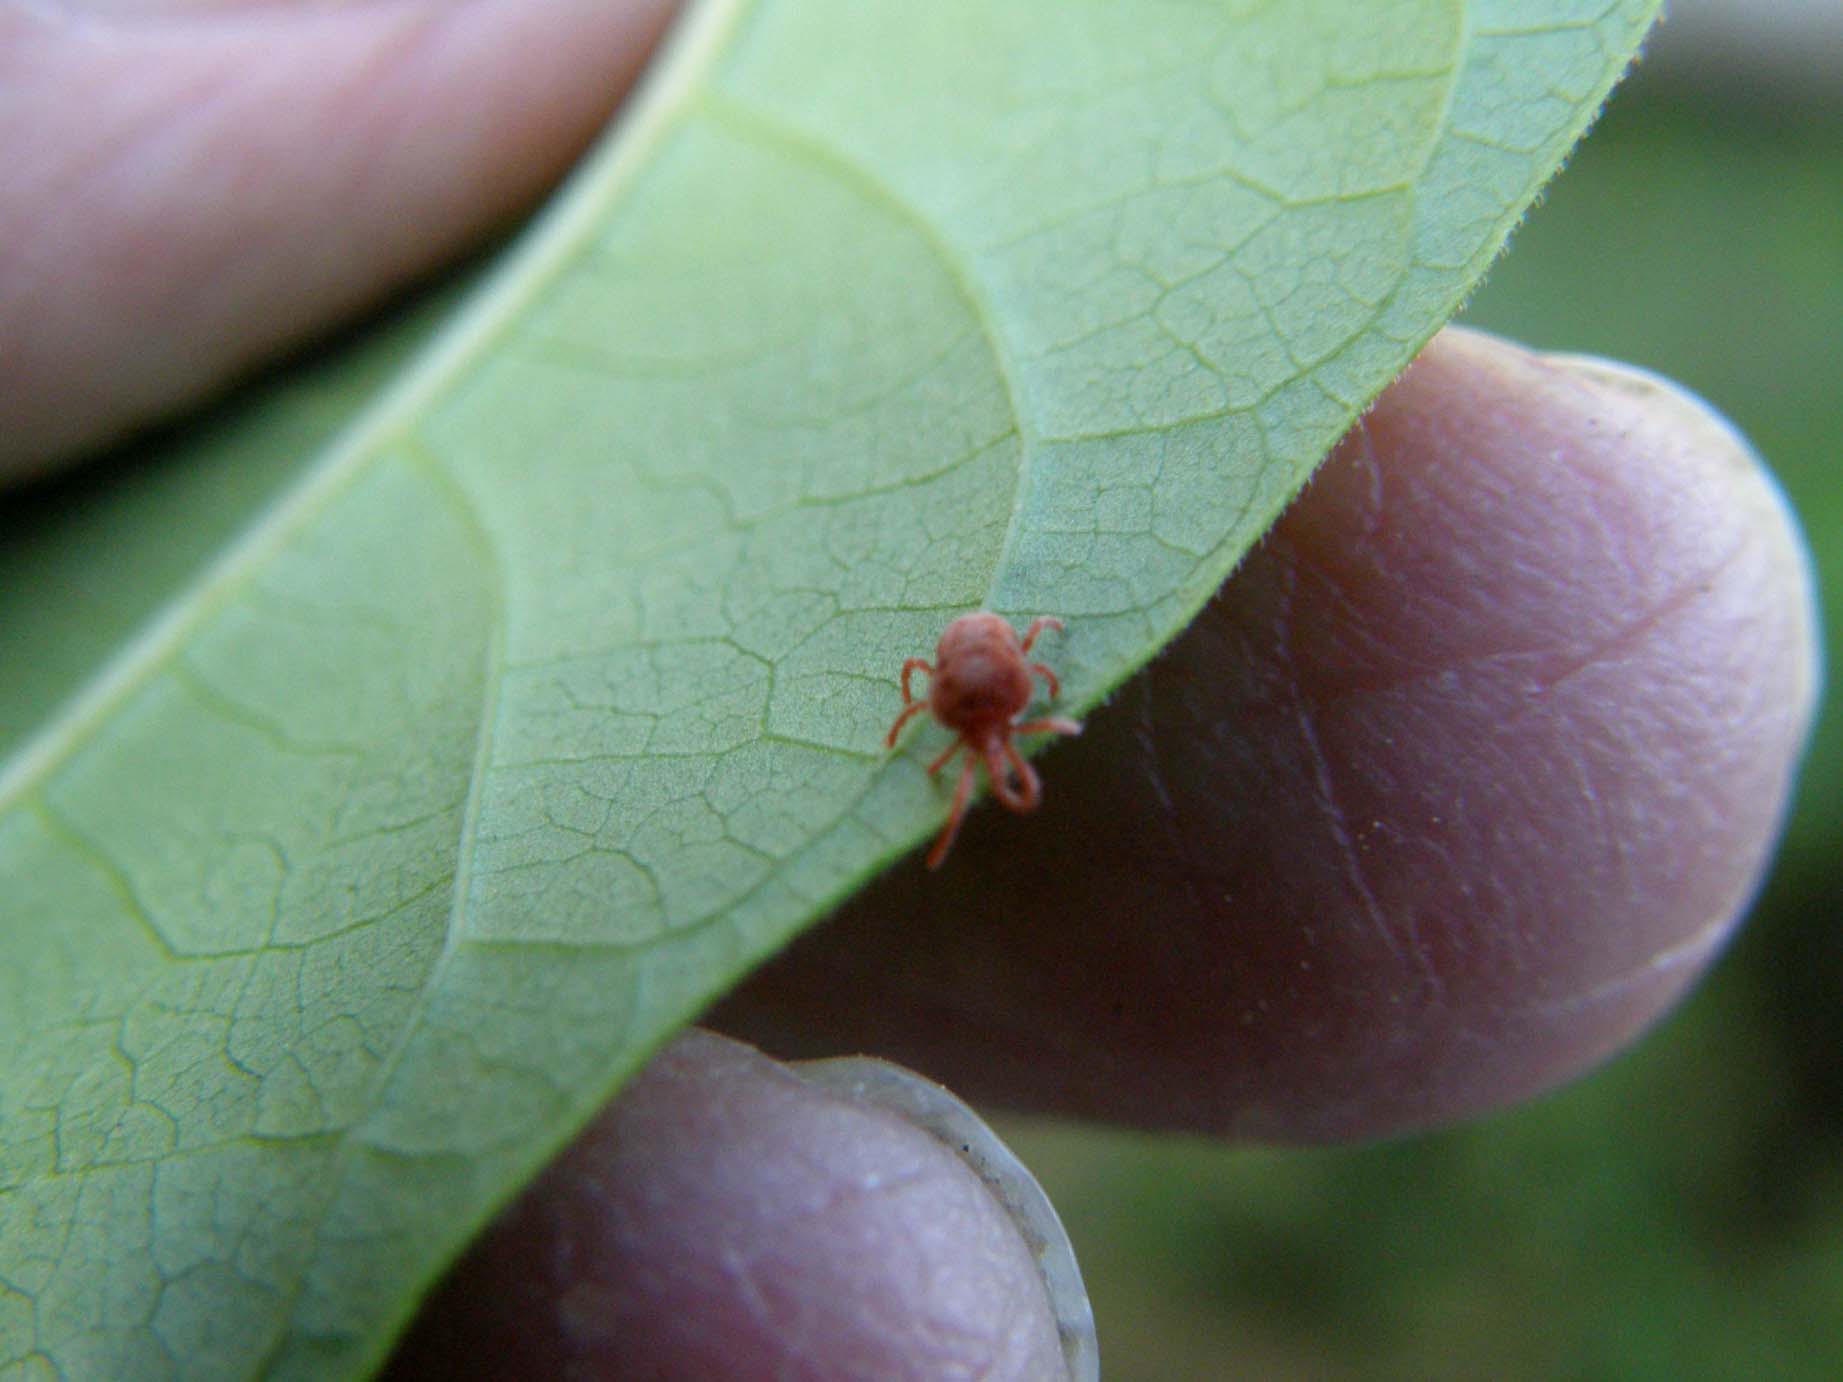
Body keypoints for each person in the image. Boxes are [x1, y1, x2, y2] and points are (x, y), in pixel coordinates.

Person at [4, 4, 1818, 1376]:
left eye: (995, 712)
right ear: (993, 708)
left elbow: (956, 685)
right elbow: (975, 685)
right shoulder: (984, 701)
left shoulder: (964, 702)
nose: (996, 722)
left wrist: (974, 700)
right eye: (999, 717)